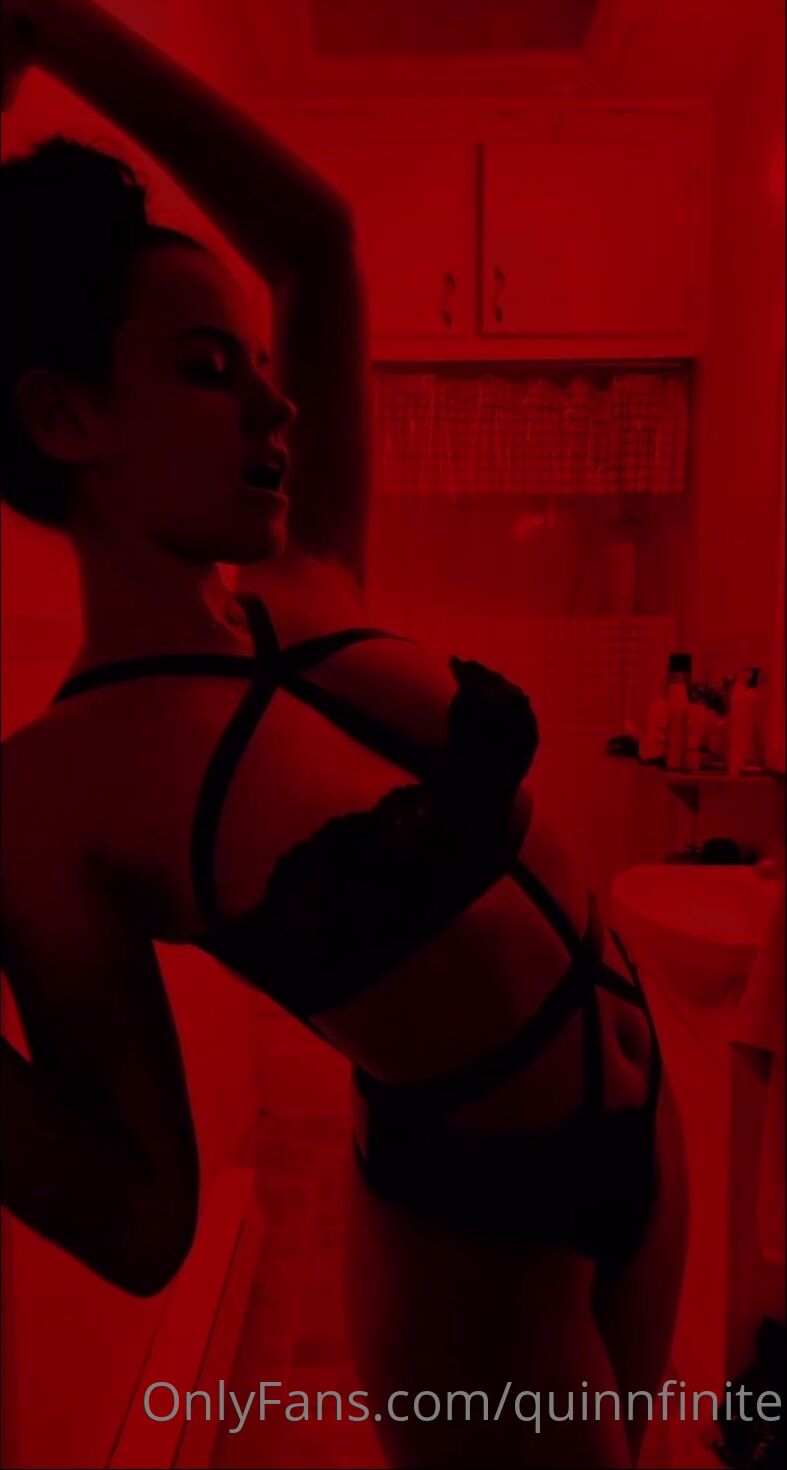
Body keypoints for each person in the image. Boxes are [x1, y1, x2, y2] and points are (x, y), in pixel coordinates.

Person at [0, 3, 689, 1464]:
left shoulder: (305, 580)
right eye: (209, 368)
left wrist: (54, 28)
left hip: (642, 1129)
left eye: (261, 365)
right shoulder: (52, 791)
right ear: (64, 420)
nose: (277, 402)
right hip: (477, 1230)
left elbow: (316, 241)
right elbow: (140, 1213)